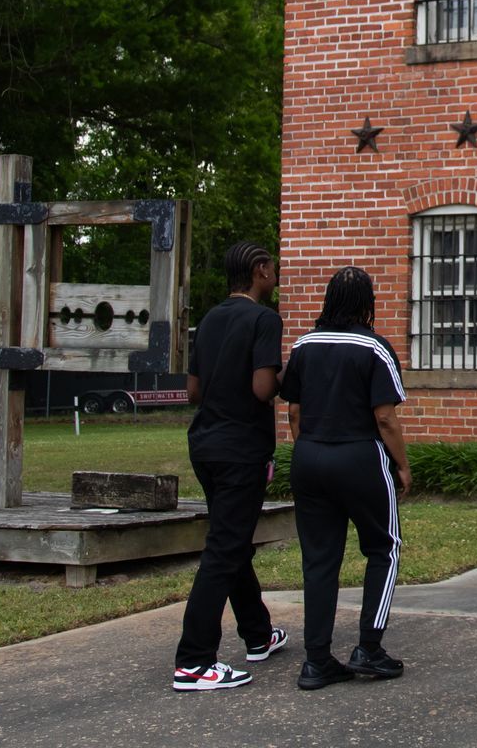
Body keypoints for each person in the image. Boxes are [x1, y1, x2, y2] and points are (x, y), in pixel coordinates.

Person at [280, 265, 412, 690]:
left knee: (319, 560)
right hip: (360, 457)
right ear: (366, 304)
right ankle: (368, 648)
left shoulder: (304, 344)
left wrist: (310, 449)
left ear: (328, 299)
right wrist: (403, 465)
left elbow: (294, 411)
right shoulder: (373, 348)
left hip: (309, 456)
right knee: (383, 547)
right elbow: (385, 417)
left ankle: (317, 661)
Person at [170, 241, 290, 692]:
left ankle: (258, 636)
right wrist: (287, 374)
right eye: (272, 267)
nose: (275, 273)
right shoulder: (265, 320)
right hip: (242, 449)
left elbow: (193, 392)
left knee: (232, 542)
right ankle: (194, 661)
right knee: (223, 550)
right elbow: (263, 389)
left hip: (205, 444)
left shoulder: (212, 320)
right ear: (260, 271)